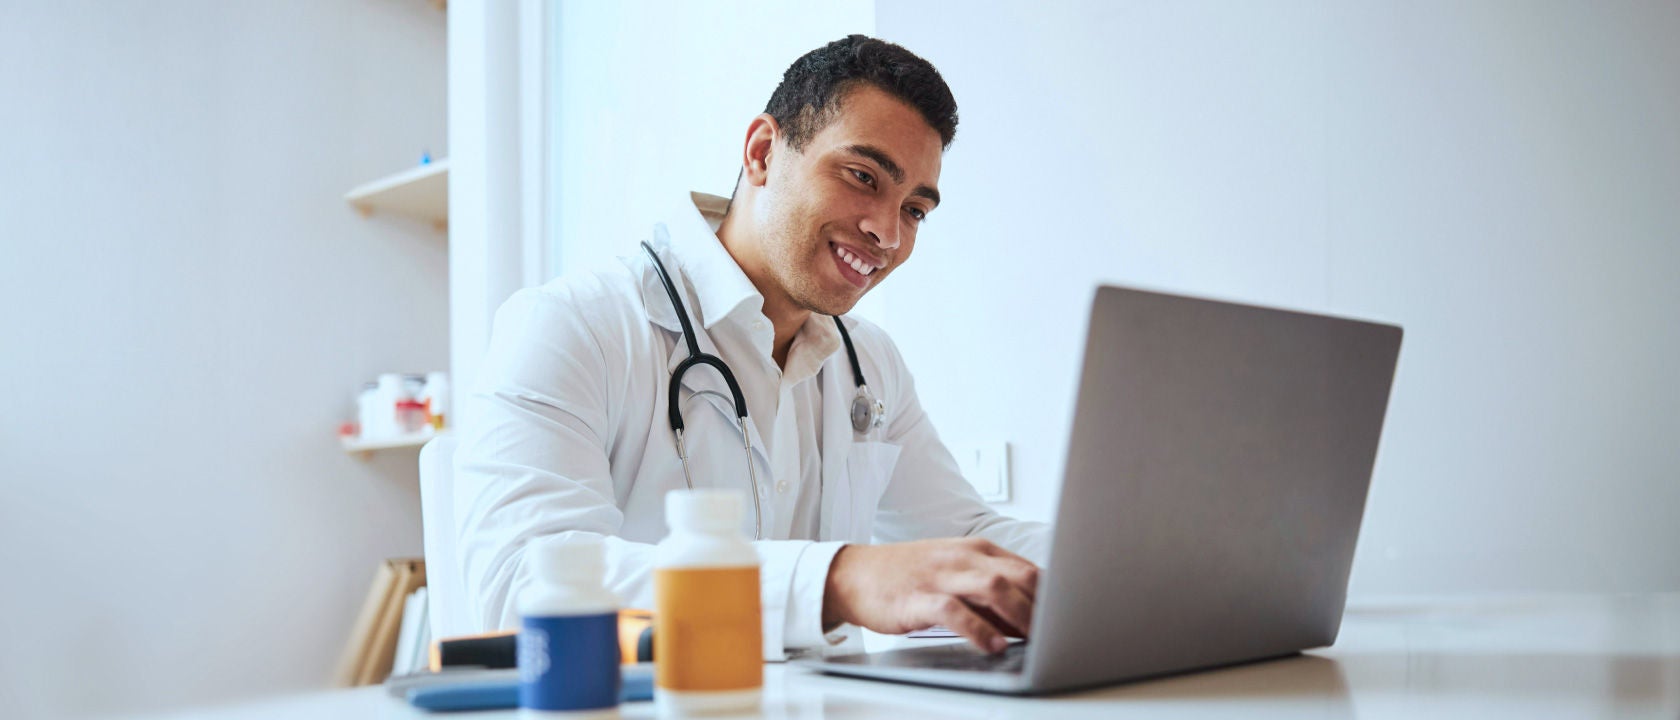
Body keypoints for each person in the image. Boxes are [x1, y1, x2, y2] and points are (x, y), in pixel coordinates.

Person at [454, 35, 1047, 658]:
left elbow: (968, 537)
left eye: (916, 210)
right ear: (762, 152)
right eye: (863, 176)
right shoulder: (574, 326)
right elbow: (521, 583)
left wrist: (1127, 564)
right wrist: (835, 580)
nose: (888, 233)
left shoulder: (870, 364)